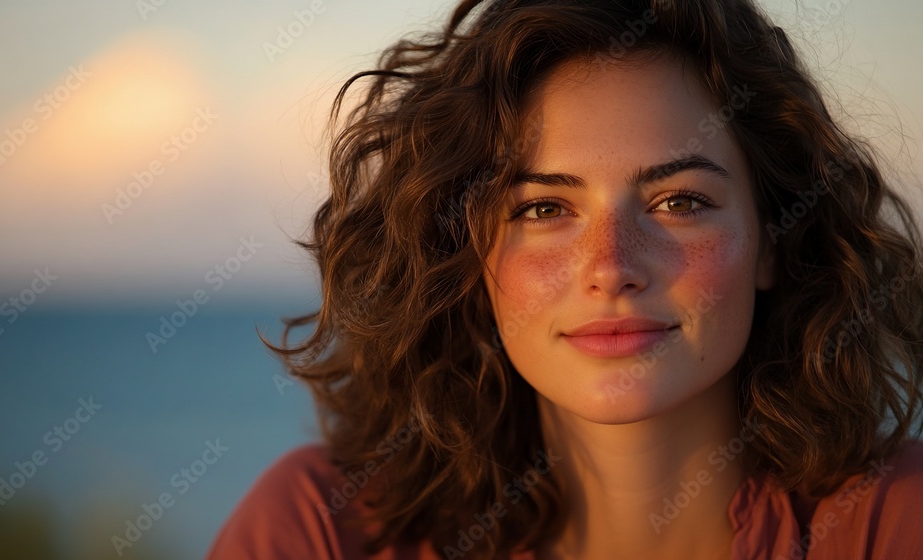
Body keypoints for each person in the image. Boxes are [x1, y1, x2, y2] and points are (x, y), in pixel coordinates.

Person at [207, 0, 923, 558]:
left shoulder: (896, 525)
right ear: (467, 255)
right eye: (544, 209)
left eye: (678, 203)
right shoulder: (320, 532)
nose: (611, 267)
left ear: (772, 239)